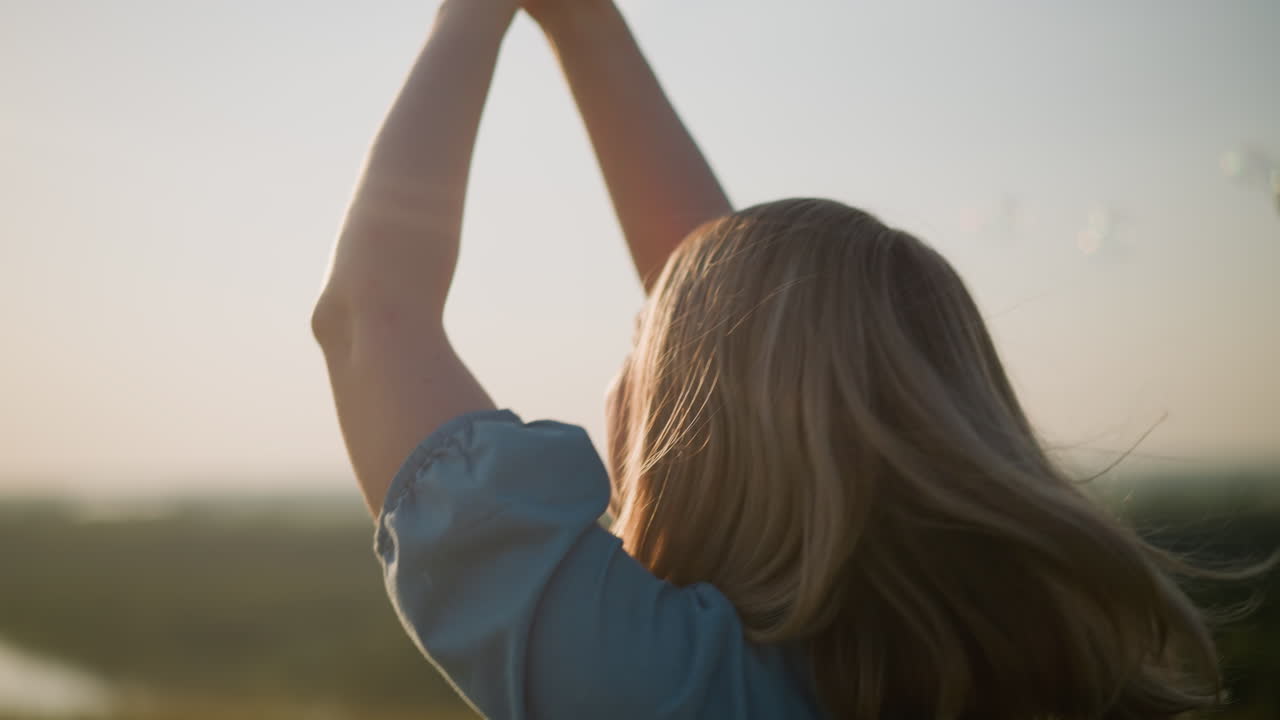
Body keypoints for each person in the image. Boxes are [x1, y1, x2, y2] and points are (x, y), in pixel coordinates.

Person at [311, 1, 1238, 717]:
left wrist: (468, 12)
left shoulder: (669, 689)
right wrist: (586, 22)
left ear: (697, 423)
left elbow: (368, 322)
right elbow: (730, 316)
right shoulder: (1029, 666)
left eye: (642, 345)